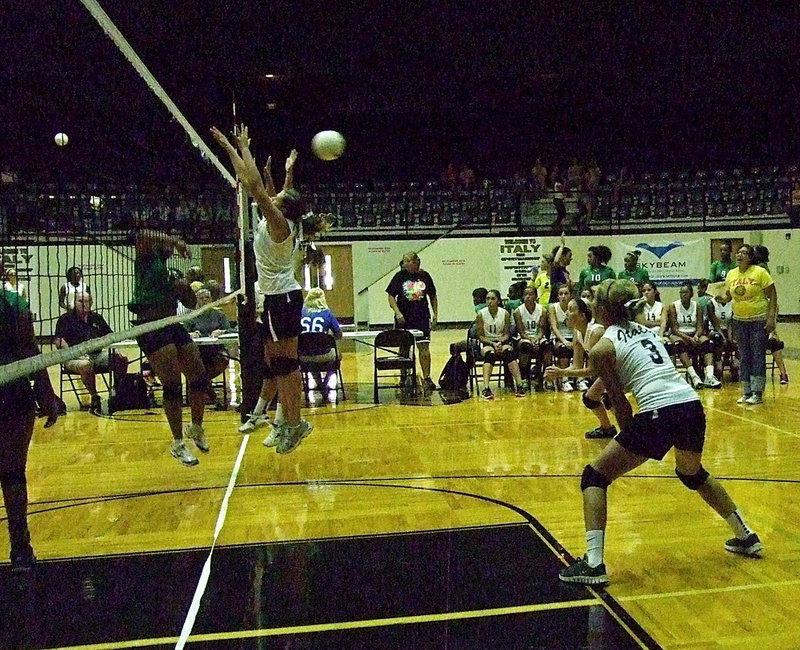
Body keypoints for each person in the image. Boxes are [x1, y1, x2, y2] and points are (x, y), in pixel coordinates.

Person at [558, 278, 763, 586]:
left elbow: (620, 403)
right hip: (690, 404)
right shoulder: (647, 332)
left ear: (602, 309)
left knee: (595, 477)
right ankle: (745, 535)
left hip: (659, 410)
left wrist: (628, 440)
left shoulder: (601, 348)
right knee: (691, 473)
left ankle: (594, 564)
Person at [212, 124, 330, 453]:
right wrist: (287, 172)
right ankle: (288, 422)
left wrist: (237, 147)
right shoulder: (282, 218)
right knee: (279, 364)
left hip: (282, 298)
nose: (273, 190)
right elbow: (269, 188)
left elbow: (252, 185)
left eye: (278, 194)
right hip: (280, 299)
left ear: (282, 206)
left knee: (286, 365)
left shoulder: (278, 223)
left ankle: (294, 423)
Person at [128, 229, 209, 466]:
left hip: (171, 323)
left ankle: (196, 427)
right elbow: (142, 235)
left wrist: (184, 289)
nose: (171, 248)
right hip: (150, 325)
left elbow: (191, 304)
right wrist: (178, 240)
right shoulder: (146, 258)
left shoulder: (171, 270)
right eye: (168, 242)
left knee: (199, 375)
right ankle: (177, 444)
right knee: (172, 384)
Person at [0, 283, 60, 571]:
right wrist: (46, 394)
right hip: (13, 392)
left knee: (13, 473)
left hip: (13, 393)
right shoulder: (14, 303)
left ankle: (21, 547)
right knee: (12, 473)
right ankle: (21, 548)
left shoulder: (14, 303)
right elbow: (30, 350)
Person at [544, 297, 617, 439]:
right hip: (606, 371)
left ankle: (631, 429)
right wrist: (557, 371)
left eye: (571, 310)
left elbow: (592, 370)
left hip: (621, 368)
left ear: (583, 316)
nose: (566, 313)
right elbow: (577, 365)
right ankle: (607, 429)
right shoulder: (577, 332)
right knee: (590, 398)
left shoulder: (596, 332)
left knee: (609, 398)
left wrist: (561, 373)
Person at [54, 291, 130, 413]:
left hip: (97, 355)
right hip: (74, 357)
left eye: (87, 301)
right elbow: (59, 341)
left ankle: (117, 393)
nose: (84, 304)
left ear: (91, 303)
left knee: (121, 358)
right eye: (80, 301)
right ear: (74, 303)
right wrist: (73, 353)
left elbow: (110, 336)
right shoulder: (65, 319)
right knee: (85, 365)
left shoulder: (97, 318)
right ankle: (95, 396)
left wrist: (116, 350)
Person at [725, 244, 777, 404]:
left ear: (751, 257)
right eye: (738, 252)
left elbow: (773, 296)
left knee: (757, 355)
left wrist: (771, 318)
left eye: (744, 253)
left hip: (758, 320)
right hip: (739, 321)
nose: (739, 255)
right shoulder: (731, 274)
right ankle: (746, 391)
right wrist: (723, 298)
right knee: (744, 356)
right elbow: (729, 295)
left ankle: (757, 392)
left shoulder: (760, 272)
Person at [386, 252, 439, 392]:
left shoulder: (425, 276)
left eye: (408, 261)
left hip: (421, 317)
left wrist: (435, 315)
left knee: (424, 347)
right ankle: (403, 376)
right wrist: (397, 313)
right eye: (404, 261)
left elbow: (433, 296)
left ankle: (427, 377)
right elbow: (391, 296)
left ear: (416, 262)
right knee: (404, 348)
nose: (405, 264)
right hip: (404, 318)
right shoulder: (399, 277)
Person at [184, 287, 235, 405]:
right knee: (191, 363)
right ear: (196, 300)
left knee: (223, 360)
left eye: (207, 298)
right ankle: (206, 386)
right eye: (201, 298)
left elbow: (231, 330)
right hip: (198, 351)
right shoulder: (191, 316)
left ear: (211, 299)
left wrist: (221, 332)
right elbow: (183, 332)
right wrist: (192, 334)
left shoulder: (219, 314)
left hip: (216, 350)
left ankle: (204, 383)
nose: (205, 300)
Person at [667, 280, 721, 389]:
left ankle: (709, 376)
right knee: (679, 344)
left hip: (694, 333)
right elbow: (674, 328)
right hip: (680, 334)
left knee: (708, 343)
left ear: (691, 294)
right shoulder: (674, 306)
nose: (683, 294)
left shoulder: (697, 306)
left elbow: (700, 325)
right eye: (681, 292)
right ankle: (694, 376)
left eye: (686, 292)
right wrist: (687, 337)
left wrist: (696, 335)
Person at [475, 290, 525, 399]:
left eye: (492, 299)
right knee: (490, 354)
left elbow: (507, 334)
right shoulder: (481, 314)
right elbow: (480, 336)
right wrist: (493, 343)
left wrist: (500, 342)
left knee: (509, 352)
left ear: (498, 300)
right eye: (487, 299)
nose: (489, 301)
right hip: (486, 342)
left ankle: (520, 385)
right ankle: (486, 388)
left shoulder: (505, 314)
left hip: (501, 341)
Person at [298, 287, 343, 395]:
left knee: (311, 358)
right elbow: (338, 334)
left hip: (303, 355)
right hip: (323, 353)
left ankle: (319, 384)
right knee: (337, 356)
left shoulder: (301, 312)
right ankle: (325, 383)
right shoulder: (327, 313)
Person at [513, 286, 549, 392]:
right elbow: (521, 331)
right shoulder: (518, 312)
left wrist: (537, 339)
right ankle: (525, 378)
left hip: (538, 336)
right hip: (524, 337)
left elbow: (542, 329)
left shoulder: (542, 310)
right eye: (526, 294)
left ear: (536, 296)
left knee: (547, 346)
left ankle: (542, 377)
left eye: (531, 294)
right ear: (523, 297)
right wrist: (531, 339)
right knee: (526, 346)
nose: (528, 296)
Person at [548, 285, 576, 391]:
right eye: (561, 294)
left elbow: (576, 326)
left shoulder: (574, 306)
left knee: (581, 347)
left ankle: (580, 379)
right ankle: (565, 380)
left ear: (570, 296)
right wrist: (564, 341)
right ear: (557, 296)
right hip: (558, 337)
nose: (563, 296)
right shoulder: (553, 307)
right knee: (563, 349)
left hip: (572, 336)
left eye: (566, 294)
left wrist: (575, 341)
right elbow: (554, 327)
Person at [549, 233, 572, 302]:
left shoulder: (566, 272)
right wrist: (562, 246)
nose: (571, 258)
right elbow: (556, 261)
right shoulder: (556, 269)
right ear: (562, 256)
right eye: (569, 256)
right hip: (555, 302)